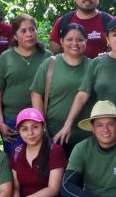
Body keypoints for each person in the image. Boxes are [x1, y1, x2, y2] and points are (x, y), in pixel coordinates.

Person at [0, 14, 51, 155]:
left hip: (41, 120)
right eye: (23, 31)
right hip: (13, 122)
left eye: (32, 29)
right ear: (16, 36)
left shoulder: (48, 57)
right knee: (16, 162)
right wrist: (0, 123)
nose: (29, 34)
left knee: (41, 161)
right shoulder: (6, 57)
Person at [30, 23, 92, 153]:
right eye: (69, 39)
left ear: (86, 42)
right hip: (54, 136)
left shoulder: (93, 66)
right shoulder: (50, 64)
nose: (74, 43)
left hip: (87, 137)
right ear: (62, 42)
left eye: (80, 39)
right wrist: (42, 127)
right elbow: (36, 94)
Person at [48, 0, 112, 58]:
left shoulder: (109, 21)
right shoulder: (63, 22)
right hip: (71, 70)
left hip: (101, 69)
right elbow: (53, 55)